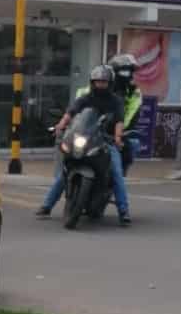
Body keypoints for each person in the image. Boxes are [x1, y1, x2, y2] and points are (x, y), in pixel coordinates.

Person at [36, 64, 132, 226]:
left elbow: (119, 121)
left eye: (104, 82)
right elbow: (71, 113)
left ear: (110, 83)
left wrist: (117, 137)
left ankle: (124, 211)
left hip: (106, 141)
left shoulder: (115, 101)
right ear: (92, 82)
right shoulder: (86, 98)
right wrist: (61, 125)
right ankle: (47, 205)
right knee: (64, 172)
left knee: (116, 172)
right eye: (97, 81)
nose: (100, 84)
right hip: (86, 139)